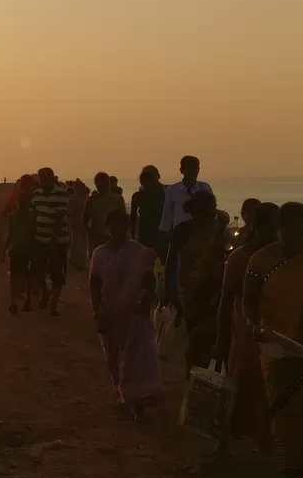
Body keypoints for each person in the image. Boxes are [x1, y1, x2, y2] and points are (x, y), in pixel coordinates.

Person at [242, 203, 303, 477]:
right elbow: (249, 302)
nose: (297, 240)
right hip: (278, 347)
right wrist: (252, 326)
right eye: (290, 233)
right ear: (279, 229)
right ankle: (293, 468)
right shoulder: (259, 261)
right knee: (285, 409)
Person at [213, 200, 279, 450]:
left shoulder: (281, 258)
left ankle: (267, 443)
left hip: (275, 335)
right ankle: (224, 442)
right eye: (273, 228)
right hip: (244, 335)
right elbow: (225, 301)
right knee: (237, 387)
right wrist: (220, 340)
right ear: (258, 227)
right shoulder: (240, 257)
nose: (276, 234)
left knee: (269, 391)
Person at [89, 207, 163, 416]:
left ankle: (137, 401)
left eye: (122, 227)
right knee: (113, 357)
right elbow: (94, 284)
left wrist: (146, 301)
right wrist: (97, 311)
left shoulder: (140, 252)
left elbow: (150, 281)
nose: (118, 231)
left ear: (128, 228)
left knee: (134, 358)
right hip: (110, 313)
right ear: (108, 228)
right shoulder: (100, 254)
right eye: (114, 227)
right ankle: (122, 394)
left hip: (134, 313)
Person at [168, 189, 226, 370]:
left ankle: (207, 373)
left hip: (215, 287)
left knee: (213, 333)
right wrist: (169, 292)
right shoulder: (182, 230)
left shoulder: (220, 225)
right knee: (195, 333)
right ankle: (194, 370)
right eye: (209, 208)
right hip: (190, 289)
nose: (213, 211)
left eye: (214, 207)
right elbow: (170, 261)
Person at [159, 156, 213, 297]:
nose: (192, 172)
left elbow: (211, 210)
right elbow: (167, 216)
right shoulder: (172, 190)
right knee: (176, 266)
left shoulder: (204, 188)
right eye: (189, 168)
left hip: (202, 232)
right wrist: (164, 239)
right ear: (181, 170)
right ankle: (170, 294)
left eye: (195, 168)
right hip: (181, 233)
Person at [30, 166, 71, 315]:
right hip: (39, 238)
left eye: (45, 178)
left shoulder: (61, 193)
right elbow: (33, 215)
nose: (43, 181)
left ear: (52, 178)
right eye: (41, 178)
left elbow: (60, 217)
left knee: (57, 273)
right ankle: (45, 291)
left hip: (58, 240)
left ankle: (54, 305)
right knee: (36, 270)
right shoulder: (37, 194)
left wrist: (54, 237)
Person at [4, 175, 37, 313]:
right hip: (17, 250)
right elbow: (10, 235)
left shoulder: (31, 217)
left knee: (24, 275)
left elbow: (33, 234)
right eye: (19, 201)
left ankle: (24, 299)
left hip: (25, 250)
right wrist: (4, 249)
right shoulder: (14, 217)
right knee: (17, 275)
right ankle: (16, 300)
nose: (20, 203)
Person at [130, 166, 166, 250]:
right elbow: (133, 217)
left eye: (150, 176)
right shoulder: (138, 195)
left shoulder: (164, 192)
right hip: (144, 230)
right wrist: (132, 235)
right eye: (144, 176)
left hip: (159, 230)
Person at [83, 172, 117, 257]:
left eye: (104, 185)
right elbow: (84, 221)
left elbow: (124, 220)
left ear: (108, 183)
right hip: (96, 238)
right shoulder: (91, 200)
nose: (101, 188)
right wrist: (91, 234)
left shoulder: (117, 199)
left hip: (113, 238)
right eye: (98, 185)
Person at [68, 178, 90, 269]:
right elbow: (69, 210)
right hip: (75, 223)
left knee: (82, 243)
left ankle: (80, 261)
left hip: (83, 222)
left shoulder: (86, 198)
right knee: (77, 243)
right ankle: (76, 261)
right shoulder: (72, 198)